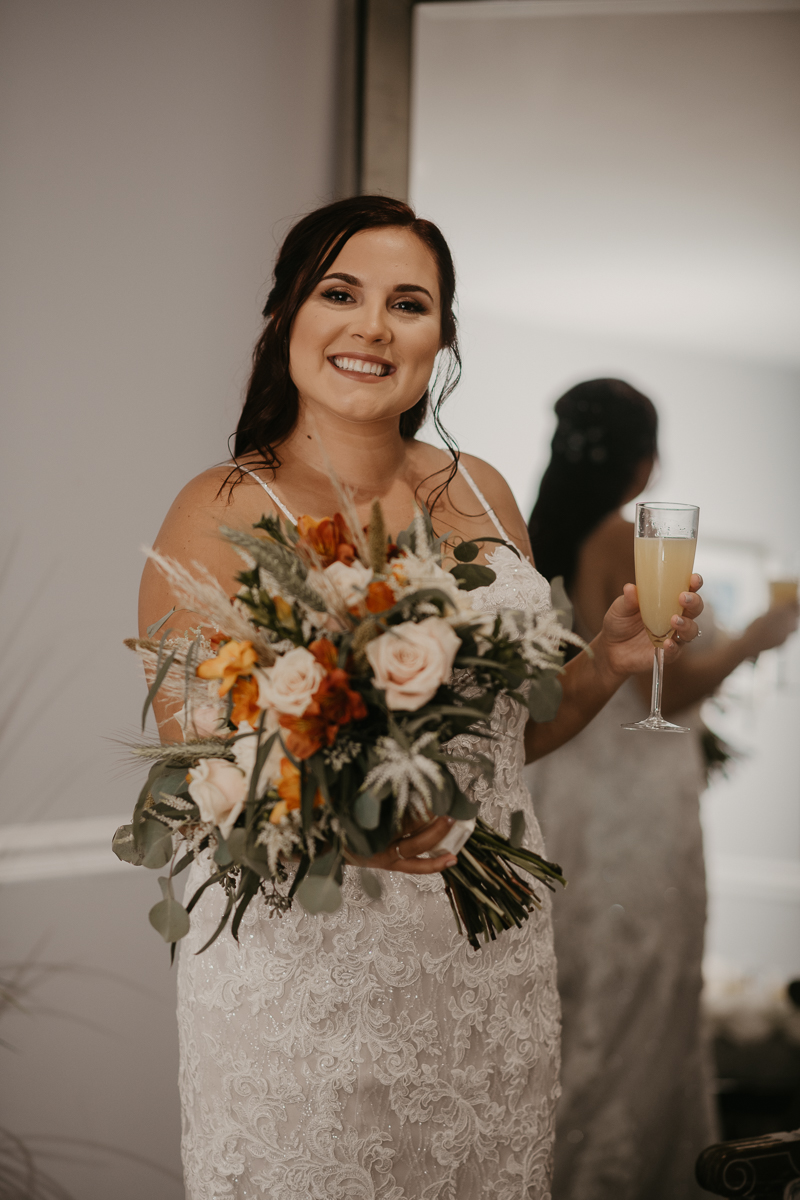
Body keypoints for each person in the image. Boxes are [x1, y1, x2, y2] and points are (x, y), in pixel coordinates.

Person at [138, 202, 703, 1200]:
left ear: (439, 338)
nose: (372, 326)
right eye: (339, 293)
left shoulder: (479, 492)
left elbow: (510, 735)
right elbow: (204, 774)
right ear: (285, 316)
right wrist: (350, 830)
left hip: (486, 964)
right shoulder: (219, 509)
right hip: (309, 978)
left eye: (408, 303)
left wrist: (607, 659)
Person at [525, 378, 798, 1200]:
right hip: (632, 816)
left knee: (583, 1000)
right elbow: (664, 691)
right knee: (638, 998)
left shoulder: (538, 540)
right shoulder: (620, 535)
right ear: (642, 462)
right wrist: (757, 637)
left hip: (568, 795)